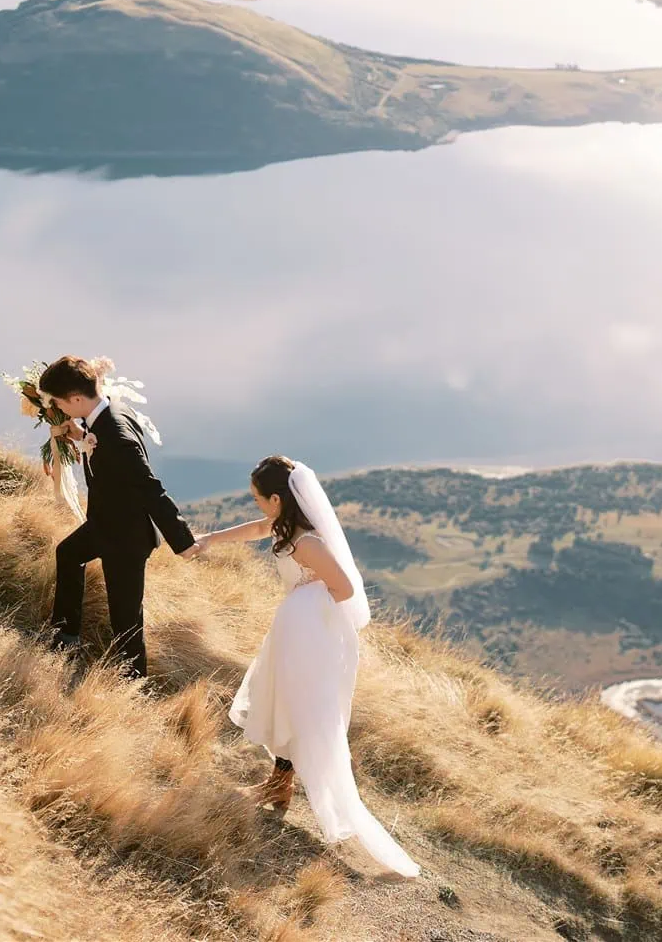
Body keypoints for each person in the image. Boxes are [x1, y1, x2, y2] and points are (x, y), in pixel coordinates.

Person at [189, 456, 420, 877]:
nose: (257, 505)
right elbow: (256, 529)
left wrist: (306, 595)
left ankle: (290, 786)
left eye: (259, 498)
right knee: (281, 700)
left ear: (278, 499)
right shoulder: (283, 527)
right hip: (294, 628)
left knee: (303, 709)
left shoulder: (308, 542)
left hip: (311, 634)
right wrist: (210, 539)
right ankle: (280, 784)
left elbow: (344, 587)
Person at [39, 354, 195, 678]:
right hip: (105, 524)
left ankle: (132, 686)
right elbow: (104, 450)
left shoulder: (117, 436)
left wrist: (184, 542)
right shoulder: (107, 411)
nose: (60, 409)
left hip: (127, 539)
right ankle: (65, 637)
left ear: (77, 399)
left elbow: (151, 489)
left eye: (59, 403)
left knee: (125, 619)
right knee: (67, 554)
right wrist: (81, 438)